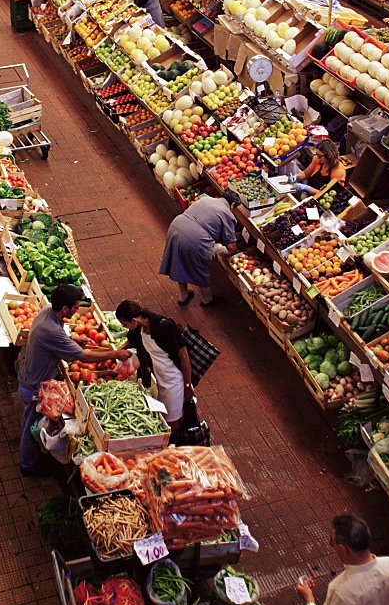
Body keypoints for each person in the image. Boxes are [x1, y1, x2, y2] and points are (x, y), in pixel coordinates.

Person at [17, 283, 132, 475]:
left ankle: (33, 456)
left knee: (31, 422)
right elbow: (83, 357)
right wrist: (115, 354)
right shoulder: (51, 330)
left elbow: (59, 338)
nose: (78, 310)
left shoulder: (48, 311)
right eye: (76, 307)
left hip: (34, 376)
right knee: (30, 426)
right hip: (34, 386)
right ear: (65, 309)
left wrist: (73, 340)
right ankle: (28, 467)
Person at [115, 301, 193, 432]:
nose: (125, 327)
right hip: (158, 376)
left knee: (171, 421)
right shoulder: (139, 327)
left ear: (134, 320)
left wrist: (188, 385)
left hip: (173, 380)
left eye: (125, 324)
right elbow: (132, 340)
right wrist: (117, 351)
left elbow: (184, 356)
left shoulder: (165, 327)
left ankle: (175, 444)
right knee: (163, 416)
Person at [160, 190, 240, 307]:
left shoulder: (206, 199)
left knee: (179, 262)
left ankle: (183, 296)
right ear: (232, 205)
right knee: (200, 267)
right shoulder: (227, 213)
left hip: (176, 227)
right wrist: (225, 250)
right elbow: (231, 247)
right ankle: (207, 299)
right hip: (194, 237)